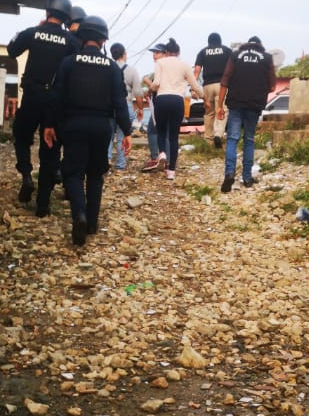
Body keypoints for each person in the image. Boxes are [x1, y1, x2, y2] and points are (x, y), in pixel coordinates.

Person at [43, 15, 131, 246]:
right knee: (95, 174)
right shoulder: (112, 68)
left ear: (82, 38)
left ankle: (78, 215)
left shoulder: (69, 63)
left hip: (73, 124)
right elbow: (120, 102)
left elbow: (56, 96)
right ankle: (91, 223)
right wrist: (127, 131)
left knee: (72, 173)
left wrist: (50, 124)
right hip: (102, 127)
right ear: (103, 41)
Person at [7, 0, 75, 217]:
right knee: (50, 149)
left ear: (47, 12)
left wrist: (38, 29)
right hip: (56, 100)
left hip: (33, 95)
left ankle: (26, 175)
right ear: (66, 17)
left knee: (22, 137)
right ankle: (42, 205)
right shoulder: (71, 42)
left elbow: (11, 49)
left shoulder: (33, 33)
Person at [216, 35, 275, 192]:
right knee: (249, 139)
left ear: (247, 44)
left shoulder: (235, 55)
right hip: (254, 105)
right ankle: (247, 177)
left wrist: (219, 106)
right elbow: (272, 87)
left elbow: (225, 81)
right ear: (260, 45)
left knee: (232, 139)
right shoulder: (267, 58)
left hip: (236, 103)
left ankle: (229, 174)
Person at [147, 39, 202, 182]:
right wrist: (204, 97)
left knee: (161, 131)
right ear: (178, 52)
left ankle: (162, 153)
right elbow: (194, 85)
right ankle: (171, 171)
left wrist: (150, 89)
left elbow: (156, 83)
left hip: (162, 100)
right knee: (173, 136)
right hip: (178, 101)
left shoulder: (160, 63)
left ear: (166, 52)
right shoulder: (184, 64)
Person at [194, 32, 232, 147]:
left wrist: (193, 87)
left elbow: (197, 71)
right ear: (220, 41)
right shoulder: (227, 51)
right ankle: (219, 134)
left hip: (207, 86)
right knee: (221, 109)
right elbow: (232, 68)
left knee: (208, 112)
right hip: (222, 85)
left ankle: (209, 139)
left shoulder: (202, 52)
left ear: (209, 42)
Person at [107, 43, 141, 171]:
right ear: (124, 54)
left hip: (109, 105)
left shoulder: (108, 68)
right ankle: (120, 165)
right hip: (125, 105)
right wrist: (141, 108)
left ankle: (107, 158)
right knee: (122, 135)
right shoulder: (132, 70)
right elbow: (138, 91)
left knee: (108, 135)